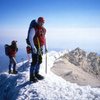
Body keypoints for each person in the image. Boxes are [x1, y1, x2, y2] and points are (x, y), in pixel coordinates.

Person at [27, 17, 47, 82]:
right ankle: (31, 76)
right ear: (38, 21)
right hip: (35, 46)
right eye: (40, 22)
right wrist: (33, 47)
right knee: (35, 61)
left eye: (43, 22)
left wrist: (45, 47)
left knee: (40, 60)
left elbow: (44, 38)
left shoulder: (42, 29)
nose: (42, 23)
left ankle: (36, 73)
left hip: (40, 46)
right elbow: (30, 38)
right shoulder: (34, 28)